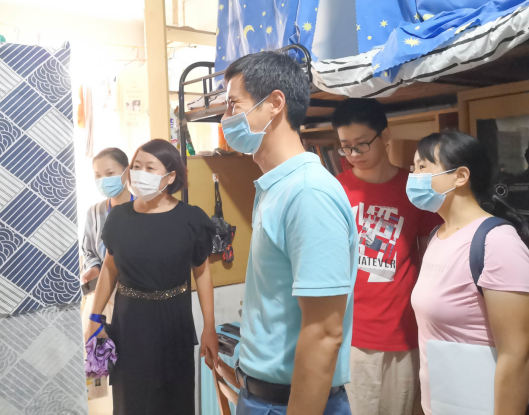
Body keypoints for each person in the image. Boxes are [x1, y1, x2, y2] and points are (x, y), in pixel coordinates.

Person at [221, 51, 358, 415]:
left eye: (234, 104)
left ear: (274, 103)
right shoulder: (276, 186)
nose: (225, 118)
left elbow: (324, 333)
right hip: (261, 397)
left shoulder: (308, 193)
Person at [84, 139, 219, 415]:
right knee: (132, 401)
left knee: (174, 401)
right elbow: (110, 268)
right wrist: (94, 317)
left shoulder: (191, 218)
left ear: (170, 177)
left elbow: (202, 272)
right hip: (130, 323)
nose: (140, 173)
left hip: (175, 322)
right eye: (136, 166)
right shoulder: (119, 217)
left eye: (149, 168)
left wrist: (209, 326)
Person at [331, 99, 441, 415]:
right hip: (353, 335)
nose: (354, 154)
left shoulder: (414, 190)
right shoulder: (335, 190)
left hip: (404, 333)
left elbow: (431, 256)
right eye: (345, 147)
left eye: (361, 144)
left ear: (386, 136)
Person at [409, 131, 529, 415]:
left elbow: (516, 354)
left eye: (423, 167)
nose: (413, 177)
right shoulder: (438, 235)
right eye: (413, 168)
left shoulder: (497, 243)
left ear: (460, 176)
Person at [81, 148, 133, 325]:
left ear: (127, 172)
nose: (103, 180)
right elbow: (88, 250)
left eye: (110, 173)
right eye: (98, 175)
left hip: (134, 296)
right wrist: (94, 267)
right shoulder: (94, 212)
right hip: (102, 295)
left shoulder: (144, 209)